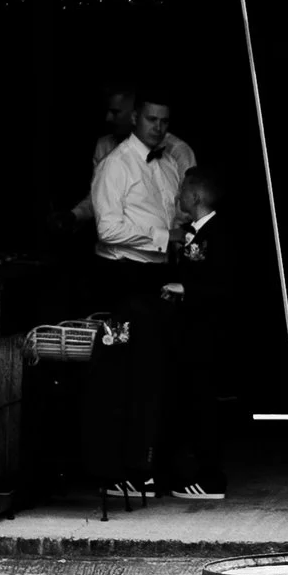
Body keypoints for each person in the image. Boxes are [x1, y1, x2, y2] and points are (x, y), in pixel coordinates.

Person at [82, 91, 195, 500]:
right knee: (131, 373)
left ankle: (154, 465)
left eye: (164, 121)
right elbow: (107, 230)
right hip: (123, 276)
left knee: (163, 370)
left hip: (159, 276)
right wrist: (165, 238)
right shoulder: (116, 166)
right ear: (135, 120)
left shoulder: (167, 164)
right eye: (151, 120)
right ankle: (126, 468)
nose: (159, 127)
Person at [156, 167, 229, 502]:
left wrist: (185, 288)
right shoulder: (192, 233)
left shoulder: (220, 234)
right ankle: (179, 472)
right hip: (190, 337)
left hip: (208, 337)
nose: (178, 195)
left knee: (202, 406)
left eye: (183, 190)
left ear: (196, 196)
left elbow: (226, 284)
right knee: (187, 404)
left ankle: (212, 479)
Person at [67, 85, 140, 227]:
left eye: (115, 112)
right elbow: (98, 198)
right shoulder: (103, 146)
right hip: (110, 242)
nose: (108, 118)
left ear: (135, 114)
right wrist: (74, 215)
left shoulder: (176, 152)